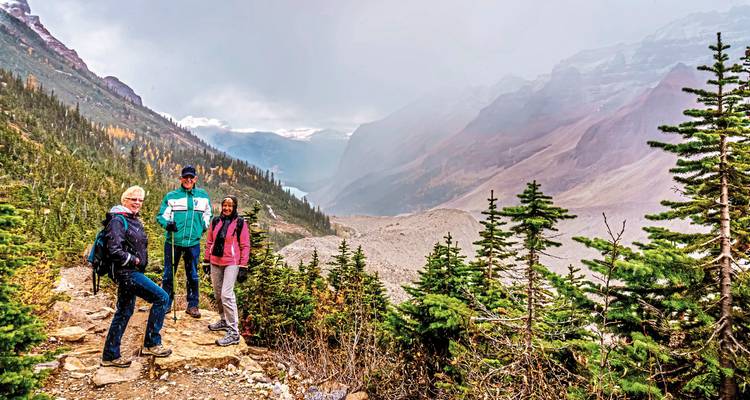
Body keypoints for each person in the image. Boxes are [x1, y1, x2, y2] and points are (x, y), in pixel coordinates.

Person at [102, 186, 172, 367]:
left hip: (132, 272)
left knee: (124, 311)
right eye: (134, 199)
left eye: (140, 200)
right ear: (124, 200)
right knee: (162, 298)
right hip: (127, 273)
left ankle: (110, 356)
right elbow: (113, 249)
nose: (137, 203)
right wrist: (133, 260)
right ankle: (152, 343)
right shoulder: (117, 220)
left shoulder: (131, 219)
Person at [156, 165, 212, 318]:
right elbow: (161, 216)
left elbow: (208, 214)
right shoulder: (172, 196)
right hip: (173, 242)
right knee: (168, 274)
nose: (188, 180)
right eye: (185, 177)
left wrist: (202, 227)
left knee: (192, 275)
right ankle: (166, 303)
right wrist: (167, 224)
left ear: (195, 179)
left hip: (192, 243)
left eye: (191, 177)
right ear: (180, 178)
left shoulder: (202, 196)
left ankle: (192, 305)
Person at [203, 195, 250, 346]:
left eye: (230, 206)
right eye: (225, 205)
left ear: (235, 207)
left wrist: (243, 266)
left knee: (226, 295)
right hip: (215, 261)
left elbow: (245, 245)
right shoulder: (216, 221)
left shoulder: (240, 223)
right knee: (218, 294)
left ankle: (234, 332)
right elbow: (210, 240)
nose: (227, 208)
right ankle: (224, 320)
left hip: (232, 262)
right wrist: (206, 259)